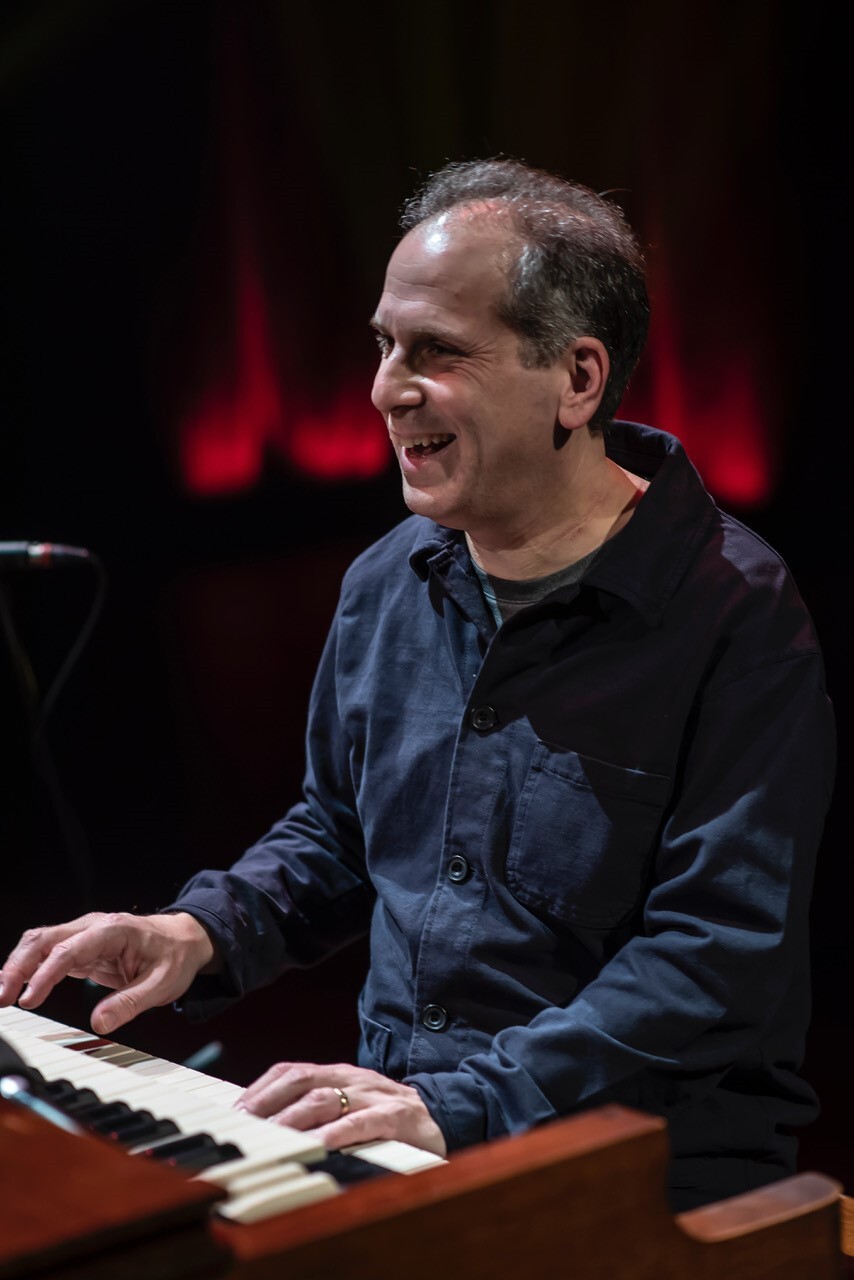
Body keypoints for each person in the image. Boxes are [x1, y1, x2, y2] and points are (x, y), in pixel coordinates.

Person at [0, 159, 835, 1211]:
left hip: (638, 1179)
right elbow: (338, 835)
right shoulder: (388, 580)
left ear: (577, 379)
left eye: (435, 351)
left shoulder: (734, 612)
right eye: (383, 344)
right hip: (413, 1137)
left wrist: (461, 1102)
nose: (384, 387)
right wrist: (198, 930)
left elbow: (713, 956)